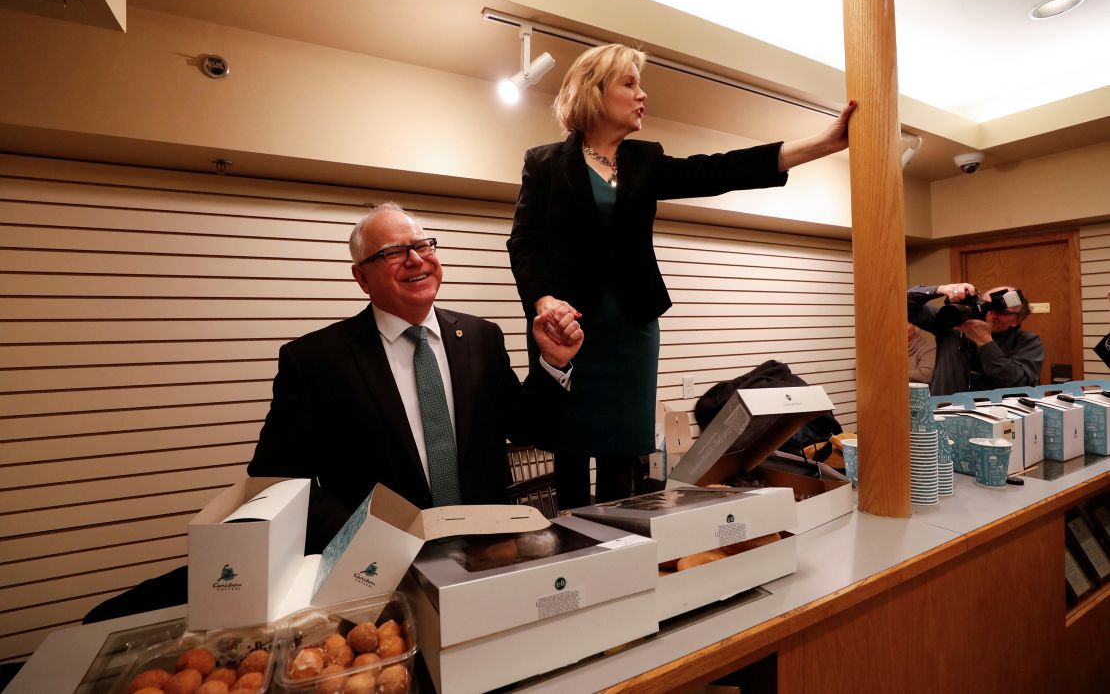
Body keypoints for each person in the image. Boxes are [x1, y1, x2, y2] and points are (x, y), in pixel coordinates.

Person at [507, 43, 855, 509]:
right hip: (567, 332)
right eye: (629, 84)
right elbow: (523, 243)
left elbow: (719, 170)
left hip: (632, 329)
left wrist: (824, 144)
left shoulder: (644, 160)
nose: (642, 94)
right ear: (594, 91)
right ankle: (571, 553)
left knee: (621, 455)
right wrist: (543, 300)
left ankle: (618, 548)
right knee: (569, 449)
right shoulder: (544, 162)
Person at [248, 203, 583, 552]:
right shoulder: (315, 360)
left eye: (423, 246)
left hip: (488, 553)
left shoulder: (481, 337)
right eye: (392, 252)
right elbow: (277, 480)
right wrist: (357, 538)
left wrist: (553, 364)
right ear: (362, 277)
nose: (415, 259)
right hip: (380, 566)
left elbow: (528, 428)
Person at [907, 282, 1043, 396]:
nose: (991, 314)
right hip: (945, 415)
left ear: (1016, 319)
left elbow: (1020, 385)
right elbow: (903, 305)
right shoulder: (953, 326)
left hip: (996, 420)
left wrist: (985, 342)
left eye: (1001, 311)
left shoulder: (1027, 341)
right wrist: (940, 289)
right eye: (986, 306)